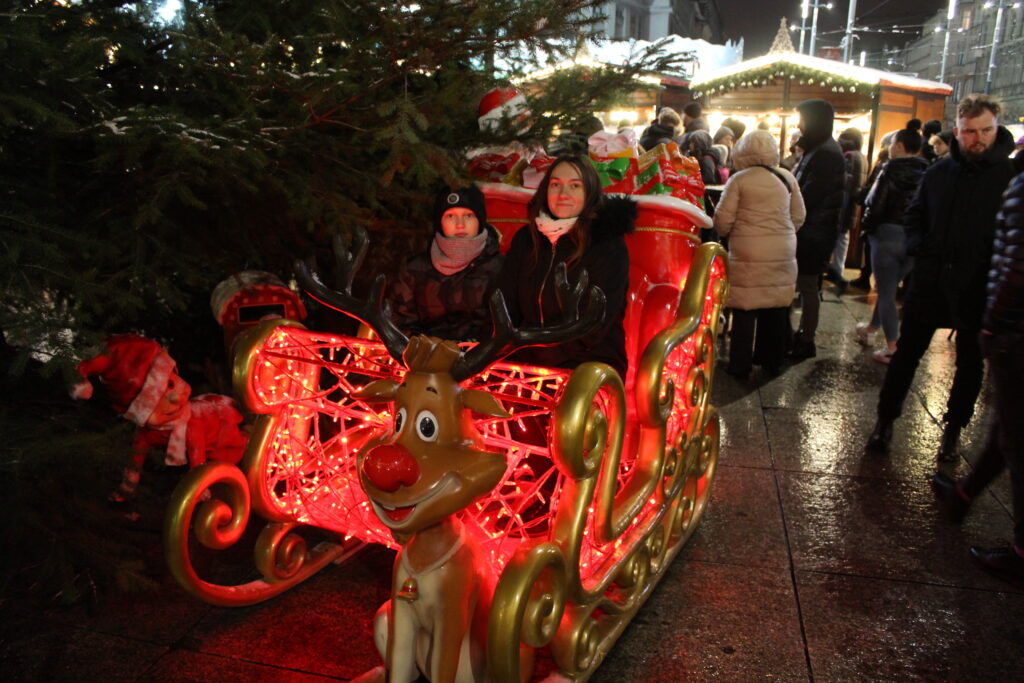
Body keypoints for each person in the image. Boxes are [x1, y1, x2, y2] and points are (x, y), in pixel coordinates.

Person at [866, 94, 1016, 460]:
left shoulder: (1010, 177)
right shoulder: (938, 172)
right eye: (969, 132)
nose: (977, 139)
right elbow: (915, 216)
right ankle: (885, 422)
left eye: (985, 130)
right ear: (957, 131)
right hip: (930, 283)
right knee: (905, 357)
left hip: (978, 288)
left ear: (996, 128)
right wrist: (923, 249)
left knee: (969, 364)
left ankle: (952, 432)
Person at [930, 170, 1024, 581]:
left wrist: (994, 323)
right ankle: (964, 495)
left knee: (1016, 439)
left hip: (1016, 330)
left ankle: (1022, 550)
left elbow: (1017, 264)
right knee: (1008, 426)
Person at [495, 153, 636, 377]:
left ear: (589, 193)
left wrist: (538, 356)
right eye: (556, 184)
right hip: (525, 356)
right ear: (545, 190)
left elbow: (595, 325)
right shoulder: (527, 238)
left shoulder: (607, 244)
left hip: (589, 361)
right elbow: (505, 299)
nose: (563, 194)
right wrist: (495, 350)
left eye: (575, 186)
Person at [713, 130, 805, 379]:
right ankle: (771, 361)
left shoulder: (739, 180)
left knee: (744, 307)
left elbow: (722, 221)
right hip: (783, 247)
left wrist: (733, 233)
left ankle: (739, 364)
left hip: (747, 250)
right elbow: (799, 216)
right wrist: (780, 233)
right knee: (775, 306)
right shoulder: (787, 177)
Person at [854, 125, 929, 363]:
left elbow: (874, 203)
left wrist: (868, 230)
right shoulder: (929, 173)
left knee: (885, 292)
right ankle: (871, 329)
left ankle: (893, 347)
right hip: (914, 239)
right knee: (890, 286)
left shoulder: (890, 170)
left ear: (898, 146)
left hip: (887, 235)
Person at [391, 185, 504, 341]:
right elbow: (401, 321)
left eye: (469, 215)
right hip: (424, 358)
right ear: (440, 222)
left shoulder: (500, 269)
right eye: (450, 216)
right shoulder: (414, 269)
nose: (460, 224)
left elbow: (503, 324)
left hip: (482, 358)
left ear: (480, 220)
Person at [790, 98, 846, 360]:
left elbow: (809, 195)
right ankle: (800, 335)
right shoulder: (819, 148)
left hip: (814, 232)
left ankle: (806, 338)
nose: (798, 124)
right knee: (805, 284)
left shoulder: (825, 152)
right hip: (812, 229)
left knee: (808, 285)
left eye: (802, 118)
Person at [826, 127, 869, 294]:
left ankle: (836, 273)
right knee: (842, 239)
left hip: (843, 206)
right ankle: (837, 271)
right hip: (851, 206)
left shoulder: (849, 156)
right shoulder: (862, 157)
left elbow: (845, 183)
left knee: (838, 239)